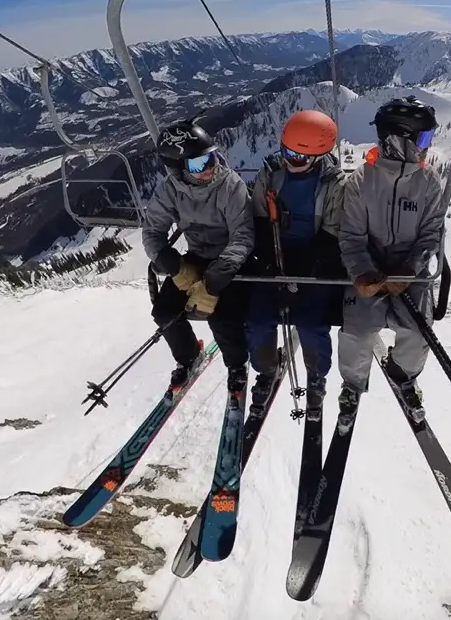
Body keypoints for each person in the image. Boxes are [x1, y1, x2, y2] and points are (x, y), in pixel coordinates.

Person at [335, 96, 445, 434]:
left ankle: (404, 376)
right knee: (357, 329)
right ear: (400, 140)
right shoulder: (361, 181)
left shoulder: (428, 184)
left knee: (417, 329)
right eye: (423, 140)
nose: (428, 148)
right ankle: (352, 385)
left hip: (409, 273)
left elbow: (431, 237)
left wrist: (411, 271)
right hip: (370, 268)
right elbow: (351, 236)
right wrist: (362, 272)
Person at [244, 109, 347, 419]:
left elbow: (331, 238)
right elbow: (260, 222)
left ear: (318, 156)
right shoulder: (272, 174)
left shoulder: (333, 185)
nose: (291, 160)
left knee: (311, 323)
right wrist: (272, 268)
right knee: (258, 320)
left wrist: (300, 278)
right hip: (276, 258)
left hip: (315, 263)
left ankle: (316, 376)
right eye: (287, 152)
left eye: (300, 157)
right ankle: (266, 369)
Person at [143, 119, 254, 397]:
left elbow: (243, 235)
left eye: (211, 158)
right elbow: (152, 230)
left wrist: (216, 278)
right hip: (196, 258)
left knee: (220, 313)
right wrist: (171, 264)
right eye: (197, 165)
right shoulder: (169, 190)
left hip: (231, 262)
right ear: (178, 169)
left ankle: (237, 364)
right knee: (165, 312)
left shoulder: (229, 185)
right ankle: (188, 355)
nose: (209, 168)